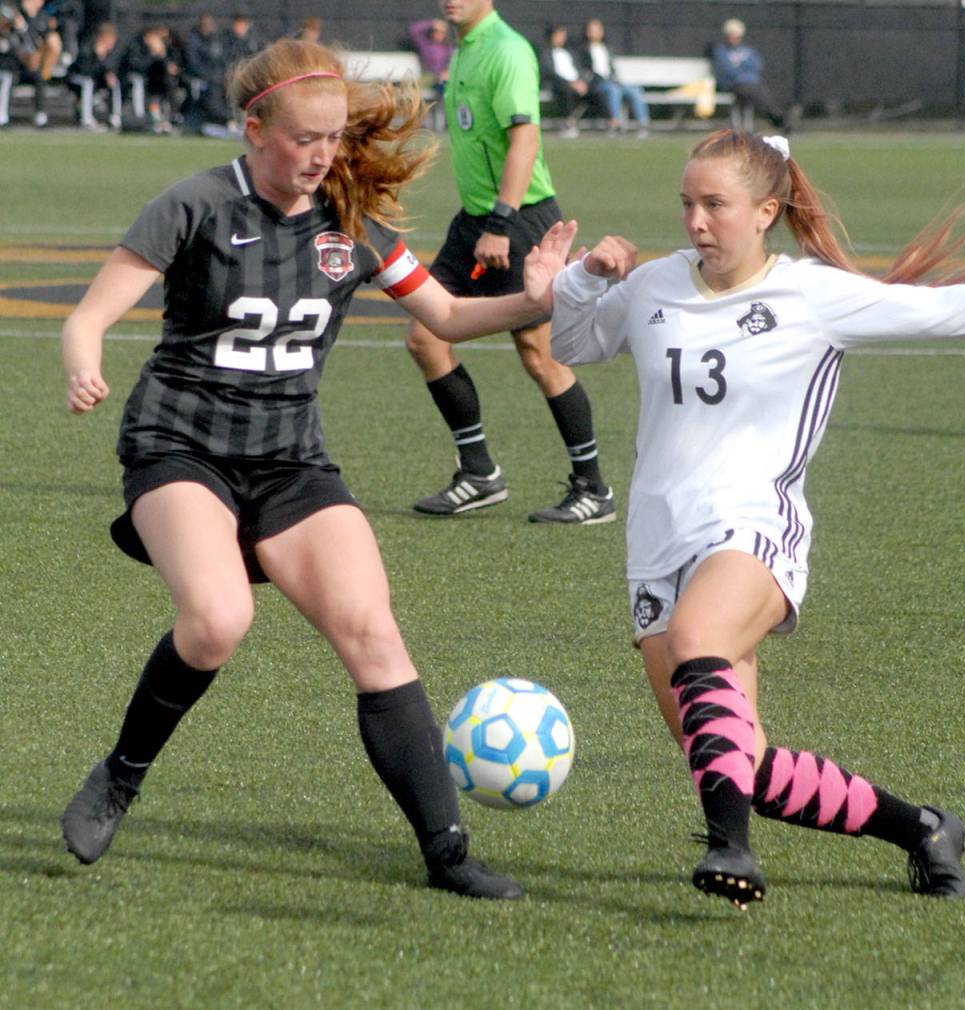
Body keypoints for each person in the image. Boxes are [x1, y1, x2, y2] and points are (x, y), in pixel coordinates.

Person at [59, 37, 575, 899]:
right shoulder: (192, 204)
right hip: (180, 447)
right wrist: (82, 359)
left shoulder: (354, 224)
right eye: (304, 138)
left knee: (374, 635)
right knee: (218, 620)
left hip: (292, 460)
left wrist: (537, 295)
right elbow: (91, 315)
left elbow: (444, 316)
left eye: (333, 137)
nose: (323, 155)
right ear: (254, 126)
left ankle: (448, 853)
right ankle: (119, 774)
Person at [546, 129, 965, 908]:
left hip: (752, 526)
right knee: (736, 762)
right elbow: (572, 341)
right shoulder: (657, 284)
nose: (697, 221)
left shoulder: (811, 295)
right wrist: (584, 280)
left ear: (766, 211)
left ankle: (730, 848)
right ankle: (924, 828)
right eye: (687, 204)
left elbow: (946, 311)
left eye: (716, 205)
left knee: (701, 644)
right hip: (654, 542)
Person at [406, 0, 615, 524]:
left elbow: (525, 139)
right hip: (474, 219)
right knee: (427, 336)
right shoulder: (465, 48)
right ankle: (479, 473)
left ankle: (594, 489)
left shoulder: (507, 50)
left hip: (517, 218)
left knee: (539, 354)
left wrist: (501, 223)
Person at [710, 18, 787, 134]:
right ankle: (777, 118)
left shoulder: (748, 51)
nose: (734, 38)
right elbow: (728, 70)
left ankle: (776, 117)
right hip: (734, 85)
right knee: (757, 94)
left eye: (736, 35)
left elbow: (756, 66)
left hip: (752, 84)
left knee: (759, 93)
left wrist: (741, 68)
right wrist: (743, 70)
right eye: (731, 34)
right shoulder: (721, 51)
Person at [578, 17, 650, 138]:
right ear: (587, 32)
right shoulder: (582, 49)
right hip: (597, 84)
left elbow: (612, 68)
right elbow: (584, 71)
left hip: (612, 81)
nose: (595, 32)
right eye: (592, 30)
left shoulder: (607, 48)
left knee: (635, 90)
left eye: (598, 29)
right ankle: (614, 124)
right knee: (613, 90)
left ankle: (643, 124)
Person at [538, 23, 593, 139]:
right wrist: (570, 83)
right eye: (558, 35)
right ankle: (569, 123)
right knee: (567, 91)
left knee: (597, 90)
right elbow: (550, 73)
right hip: (559, 85)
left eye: (562, 35)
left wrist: (581, 81)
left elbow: (580, 69)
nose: (561, 38)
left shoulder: (570, 53)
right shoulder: (545, 54)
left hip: (577, 84)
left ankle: (612, 123)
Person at [66, 18, 121, 129]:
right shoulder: (87, 47)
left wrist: (108, 73)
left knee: (114, 82)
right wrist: (97, 56)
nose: (112, 43)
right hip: (76, 78)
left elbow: (110, 69)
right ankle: (86, 119)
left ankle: (115, 117)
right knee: (88, 83)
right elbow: (85, 71)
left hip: (95, 81)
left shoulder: (110, 53)